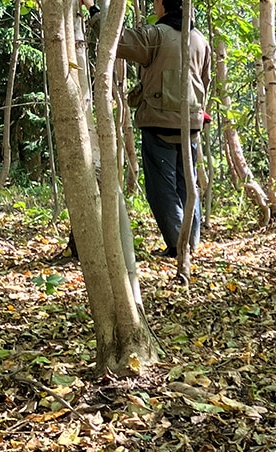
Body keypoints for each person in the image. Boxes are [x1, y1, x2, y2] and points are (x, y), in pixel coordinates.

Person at [81, 0, 212, 258]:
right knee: (188, 186)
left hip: (159, 123)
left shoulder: (156, 35)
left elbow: (117, 41)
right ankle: (190, 242)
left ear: (164, 5)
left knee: (161, 189)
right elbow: (205, 81)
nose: (154, 5)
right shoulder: (200, 40)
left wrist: (93, 10)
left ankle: (179, 246)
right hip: (191, 125)